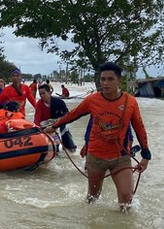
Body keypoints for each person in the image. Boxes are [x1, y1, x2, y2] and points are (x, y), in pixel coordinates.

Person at [45, 62, 151, 209]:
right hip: (96, 158)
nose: (105, 83)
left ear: (119, 81)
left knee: (127, 199)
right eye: (103, 79)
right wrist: (53, 126)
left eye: (110, 79)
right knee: (92, 198)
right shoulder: (92, 100)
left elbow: (139, 127)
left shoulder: (130, 101)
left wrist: (146, 155)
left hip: (121, 157)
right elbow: (72, 115)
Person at [34, 84, 77, 152]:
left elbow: (67, 114)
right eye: (40, 94)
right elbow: (37, 118)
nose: (42, 96)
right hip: (45, 127)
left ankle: (70, 147)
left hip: (58, 124)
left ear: (49, 93)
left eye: (43, 93)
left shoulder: (59, 102)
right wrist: (37, 129)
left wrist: (60, 119)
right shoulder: (39, 104)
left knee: (65, 131)